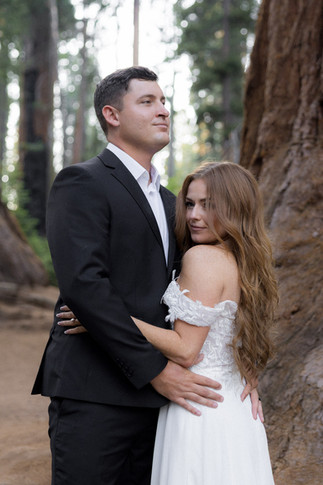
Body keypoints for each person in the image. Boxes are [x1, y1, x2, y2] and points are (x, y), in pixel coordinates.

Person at [32, 67, 229, 485]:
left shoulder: (174, 203)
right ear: (112, 115)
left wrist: (241, 371)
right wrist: (158, 372)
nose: (163, 110)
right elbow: (84, 287)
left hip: (159, 404)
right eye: (147, 102)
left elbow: (207, 293)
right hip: (95, 392)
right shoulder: (81, 182)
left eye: (163, 101)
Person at [62, 161, 278, 484]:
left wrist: (102, 319)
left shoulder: (202, 257)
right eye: (190, 204)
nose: (193, 215)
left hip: (199, 407)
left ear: (236, 208)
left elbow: (186, 350)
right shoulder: (245, 261)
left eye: (208, 205)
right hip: (234, 406)